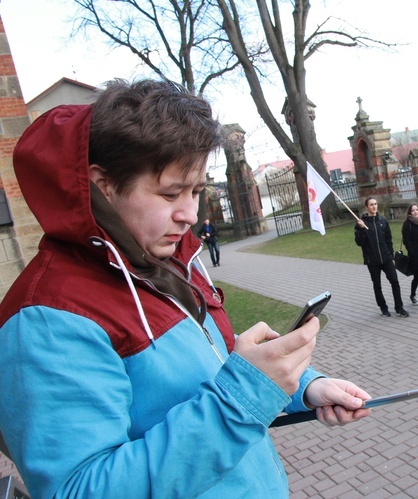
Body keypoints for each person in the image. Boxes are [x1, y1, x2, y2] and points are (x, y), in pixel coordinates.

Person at [0, 79, 371, 498]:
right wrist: (248, 392)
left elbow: (205, 374)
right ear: (103, 186)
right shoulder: (47, 318)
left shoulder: (169, 262)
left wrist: (301, 384)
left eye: (196, 191)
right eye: (170, 193)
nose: (189, 214)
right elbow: (81, 489)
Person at [355, 197, 410, 318]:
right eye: (371, 205)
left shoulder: (383, 221)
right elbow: (359, 242)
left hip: (386, 258)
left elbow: (388, 240)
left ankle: (399, 307)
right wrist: (361, 229)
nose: (374, 207)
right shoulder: (361, 223)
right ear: (366, 207)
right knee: (377, 285)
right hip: (372, 260)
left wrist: (390, 255)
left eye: (375, 204)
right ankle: (383, 307)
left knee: (395, 281)